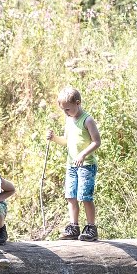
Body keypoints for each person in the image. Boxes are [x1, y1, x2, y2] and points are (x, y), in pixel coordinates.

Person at [47, 86, 101, 241]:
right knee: (71, 196)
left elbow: (97, 142)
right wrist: (54, 138)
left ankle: (91, 227)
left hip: (86, 165)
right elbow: (66, 141)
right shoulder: (69, 119)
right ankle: (74, 226)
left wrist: (83, 154)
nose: (65, 112)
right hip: (71, 165)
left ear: (78, 103)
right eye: (63, 110)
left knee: (85, 196)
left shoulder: (87, 120)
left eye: (68, 109)